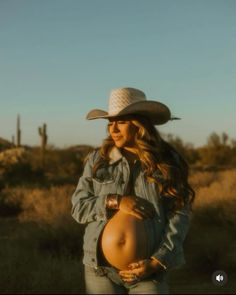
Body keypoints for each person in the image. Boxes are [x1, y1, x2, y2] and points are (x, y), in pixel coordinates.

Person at [71, 87, 195, 294]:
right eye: (110, 123)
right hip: (100, 270)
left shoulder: (165, 161)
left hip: (148, 271)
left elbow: (180, 213)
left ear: (140, 125)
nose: (113, 129)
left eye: (121, 122)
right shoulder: (98, 161)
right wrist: (116, 201)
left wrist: (158, 261)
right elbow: (78, 207)